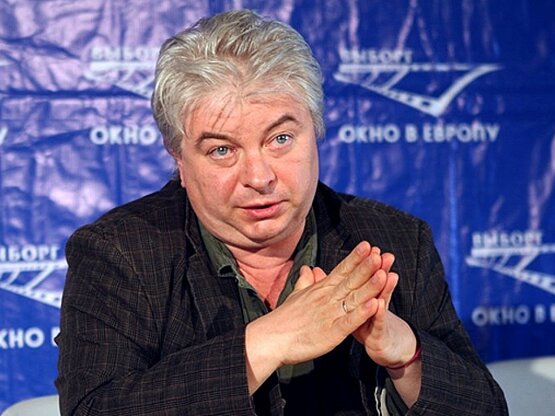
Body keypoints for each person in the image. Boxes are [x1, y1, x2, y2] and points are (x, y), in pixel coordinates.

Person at [55, 9, 508, 416]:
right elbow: (94, 409)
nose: (259, 177)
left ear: (316, 131)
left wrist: (404, 352)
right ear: (179, 157)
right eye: (222, 150)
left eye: (280, 139)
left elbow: (486, 409)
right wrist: (269, 340)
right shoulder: (120, 253)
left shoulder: (395, 239)